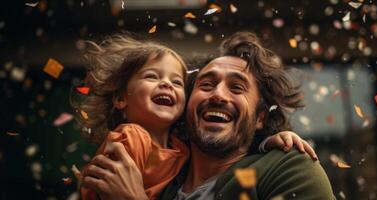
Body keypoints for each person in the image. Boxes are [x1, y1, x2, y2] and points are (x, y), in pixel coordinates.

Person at [79, 32, 327, 200]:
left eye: (237, 87)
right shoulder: (164, 171)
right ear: (186, 107)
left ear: (260, 117)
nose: (218, 95)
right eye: (206, 85)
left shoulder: (287, 167)